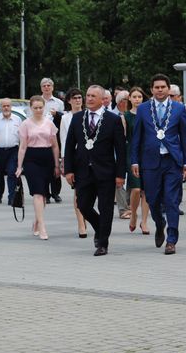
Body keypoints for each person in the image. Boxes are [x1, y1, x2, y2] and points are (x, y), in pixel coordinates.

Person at [131, 74, 186, 255]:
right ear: (151, 90)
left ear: (168, 89)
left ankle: (171, 239)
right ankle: (160, 223)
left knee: (171, 201)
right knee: (152, 199)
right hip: (150, 161)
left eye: (163, 87)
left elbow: (185, 138)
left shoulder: (179, 109)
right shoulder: (143, 109)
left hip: (172, 161)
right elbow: (137, 137)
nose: (159, 90)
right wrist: (134, 160)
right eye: (156, 87)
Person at [64, 85, 126, 256]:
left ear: (102, 99)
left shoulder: (113, 120)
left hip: (106, 172)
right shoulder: (77, 119)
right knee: (82, 205)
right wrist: (68, 170)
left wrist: (121, 174)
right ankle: (99, 227)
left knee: (106, 207)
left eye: (93, 96)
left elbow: (121, 150)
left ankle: (103, 243)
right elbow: (69, 146)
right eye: (88, 95)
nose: (89, 99)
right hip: (83, 171)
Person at [15, 95, 60, 240]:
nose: (38, 110)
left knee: (44, 195)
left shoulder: (49, 124)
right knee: (38, 193)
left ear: (44, 107)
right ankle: (42, 227)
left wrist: (57, 165)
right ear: (31, 108)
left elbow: (54, 145)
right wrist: (19, 166)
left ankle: (36, 221)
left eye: (41, 107)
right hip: (31, 159)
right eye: (35, 108)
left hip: (47, 157)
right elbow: (22, 147)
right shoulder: (25, 124)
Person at [60, 88, 88, 238]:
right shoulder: (65, 118)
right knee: (77, 190)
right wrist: (66, 162)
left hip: (89, 157)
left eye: (79, 97)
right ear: (69, 101)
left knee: (89, 191)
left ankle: (87, 214)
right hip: (74, 156)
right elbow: (64, 141)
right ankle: (81, 223)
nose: (78, 100)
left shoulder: (88, 114)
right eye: (74, 98)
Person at [123, 86, 150, 235]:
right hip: (132, 154)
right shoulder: (125, 116)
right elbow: (123, 138)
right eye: (134, 97)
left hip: (147, 154)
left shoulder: (148, 114)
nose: (137, 99)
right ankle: (133, 214)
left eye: (139, 97)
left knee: (146, 190)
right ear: (130, 99)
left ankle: (144, 221)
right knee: (136, 188)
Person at [169, 83, 186, 215]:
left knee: (178, 177)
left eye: (173, 96)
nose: (170, 98)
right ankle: (163, 204)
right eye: (169, 95)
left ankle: (176, 204)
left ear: (179, 97)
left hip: (179, 148)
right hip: (165, 148)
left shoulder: (183, 109)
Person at [114, 90, 131, 220]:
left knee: (132, 178)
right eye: (126, 100)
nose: (128, 102)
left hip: (131, 150)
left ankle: (130, 204)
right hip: (116, 151)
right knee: (119, 180)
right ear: (120, 102)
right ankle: (123, 208)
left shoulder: (132, 114)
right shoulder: (113, 116)